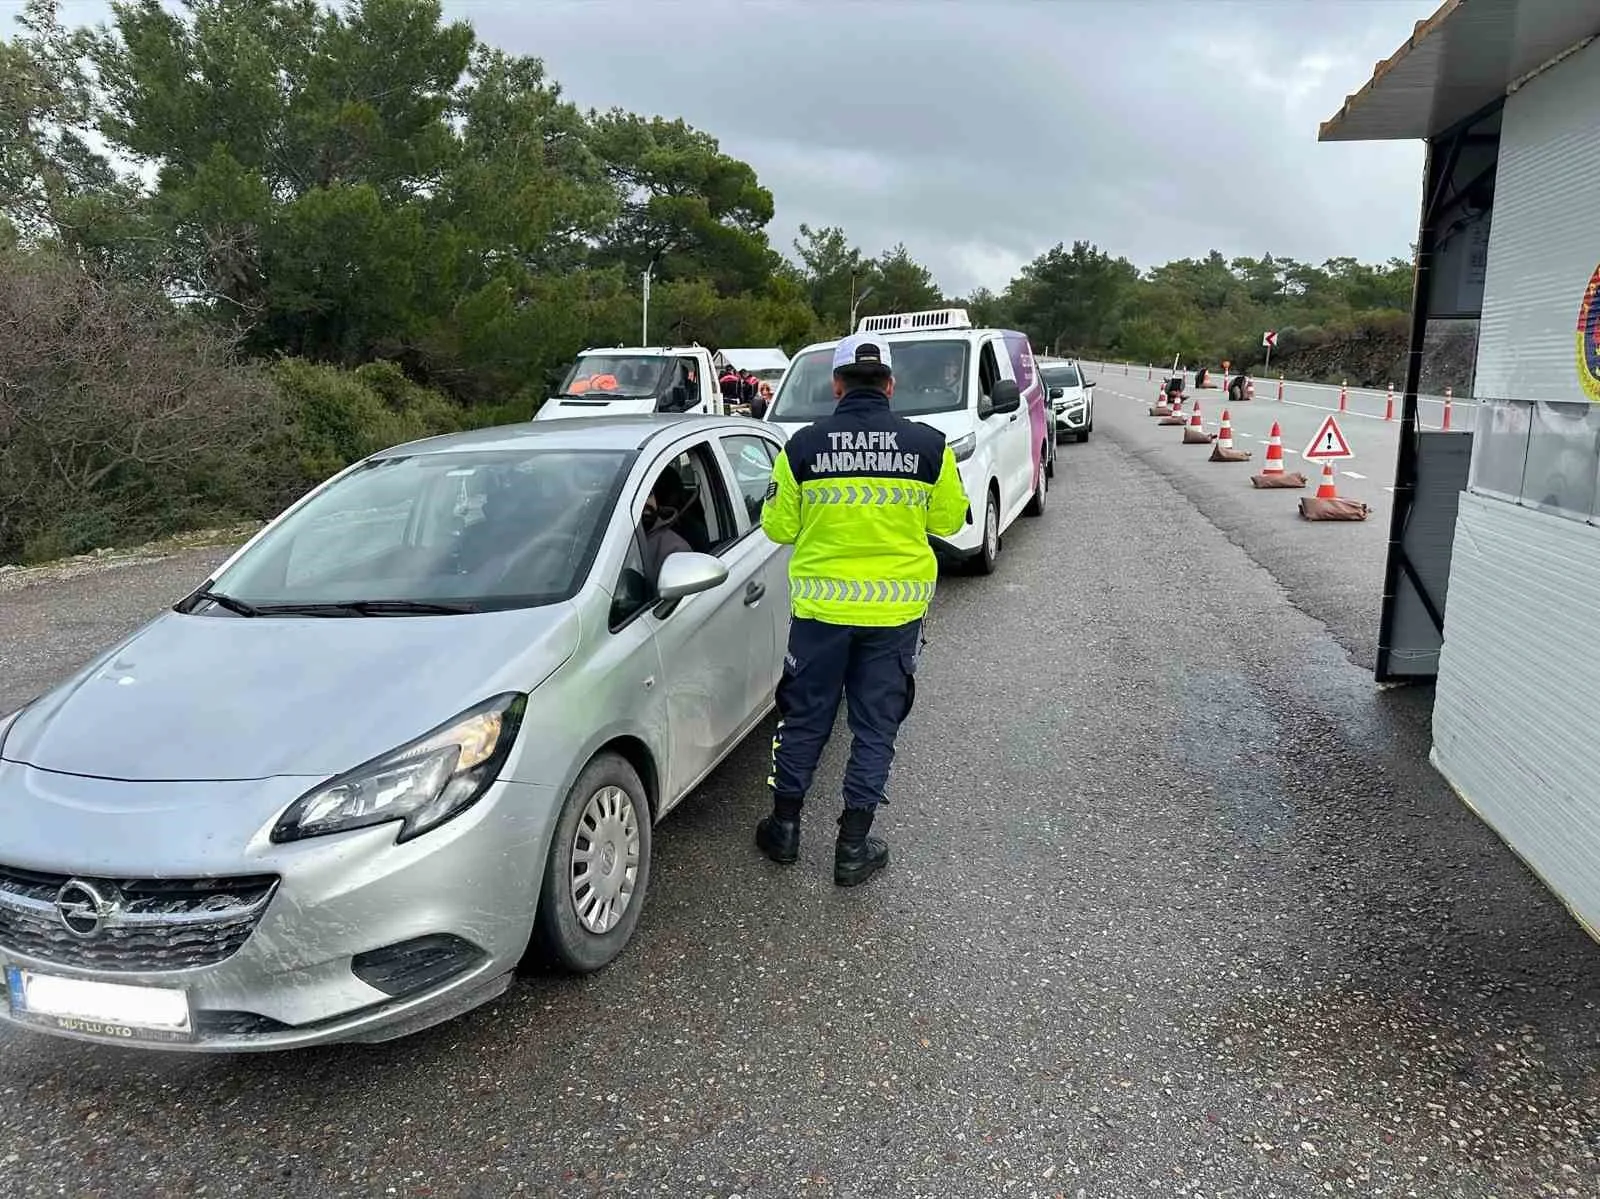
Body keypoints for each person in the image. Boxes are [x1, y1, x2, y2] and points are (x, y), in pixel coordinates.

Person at [756, 333, 970, 886]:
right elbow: (949, 521)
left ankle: (784, 830)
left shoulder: (801, 447)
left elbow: (779, 526)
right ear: (891, 385)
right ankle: (852, 848)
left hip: (820, 615)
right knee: (875, 726)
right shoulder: (929, 447)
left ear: (836, 383)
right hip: (894, 617)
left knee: (805, 718)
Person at [641, 470, 693, 584]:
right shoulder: (604, 544)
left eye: (649, 494)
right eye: (637, 497)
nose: (645, 502)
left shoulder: (675, 549)